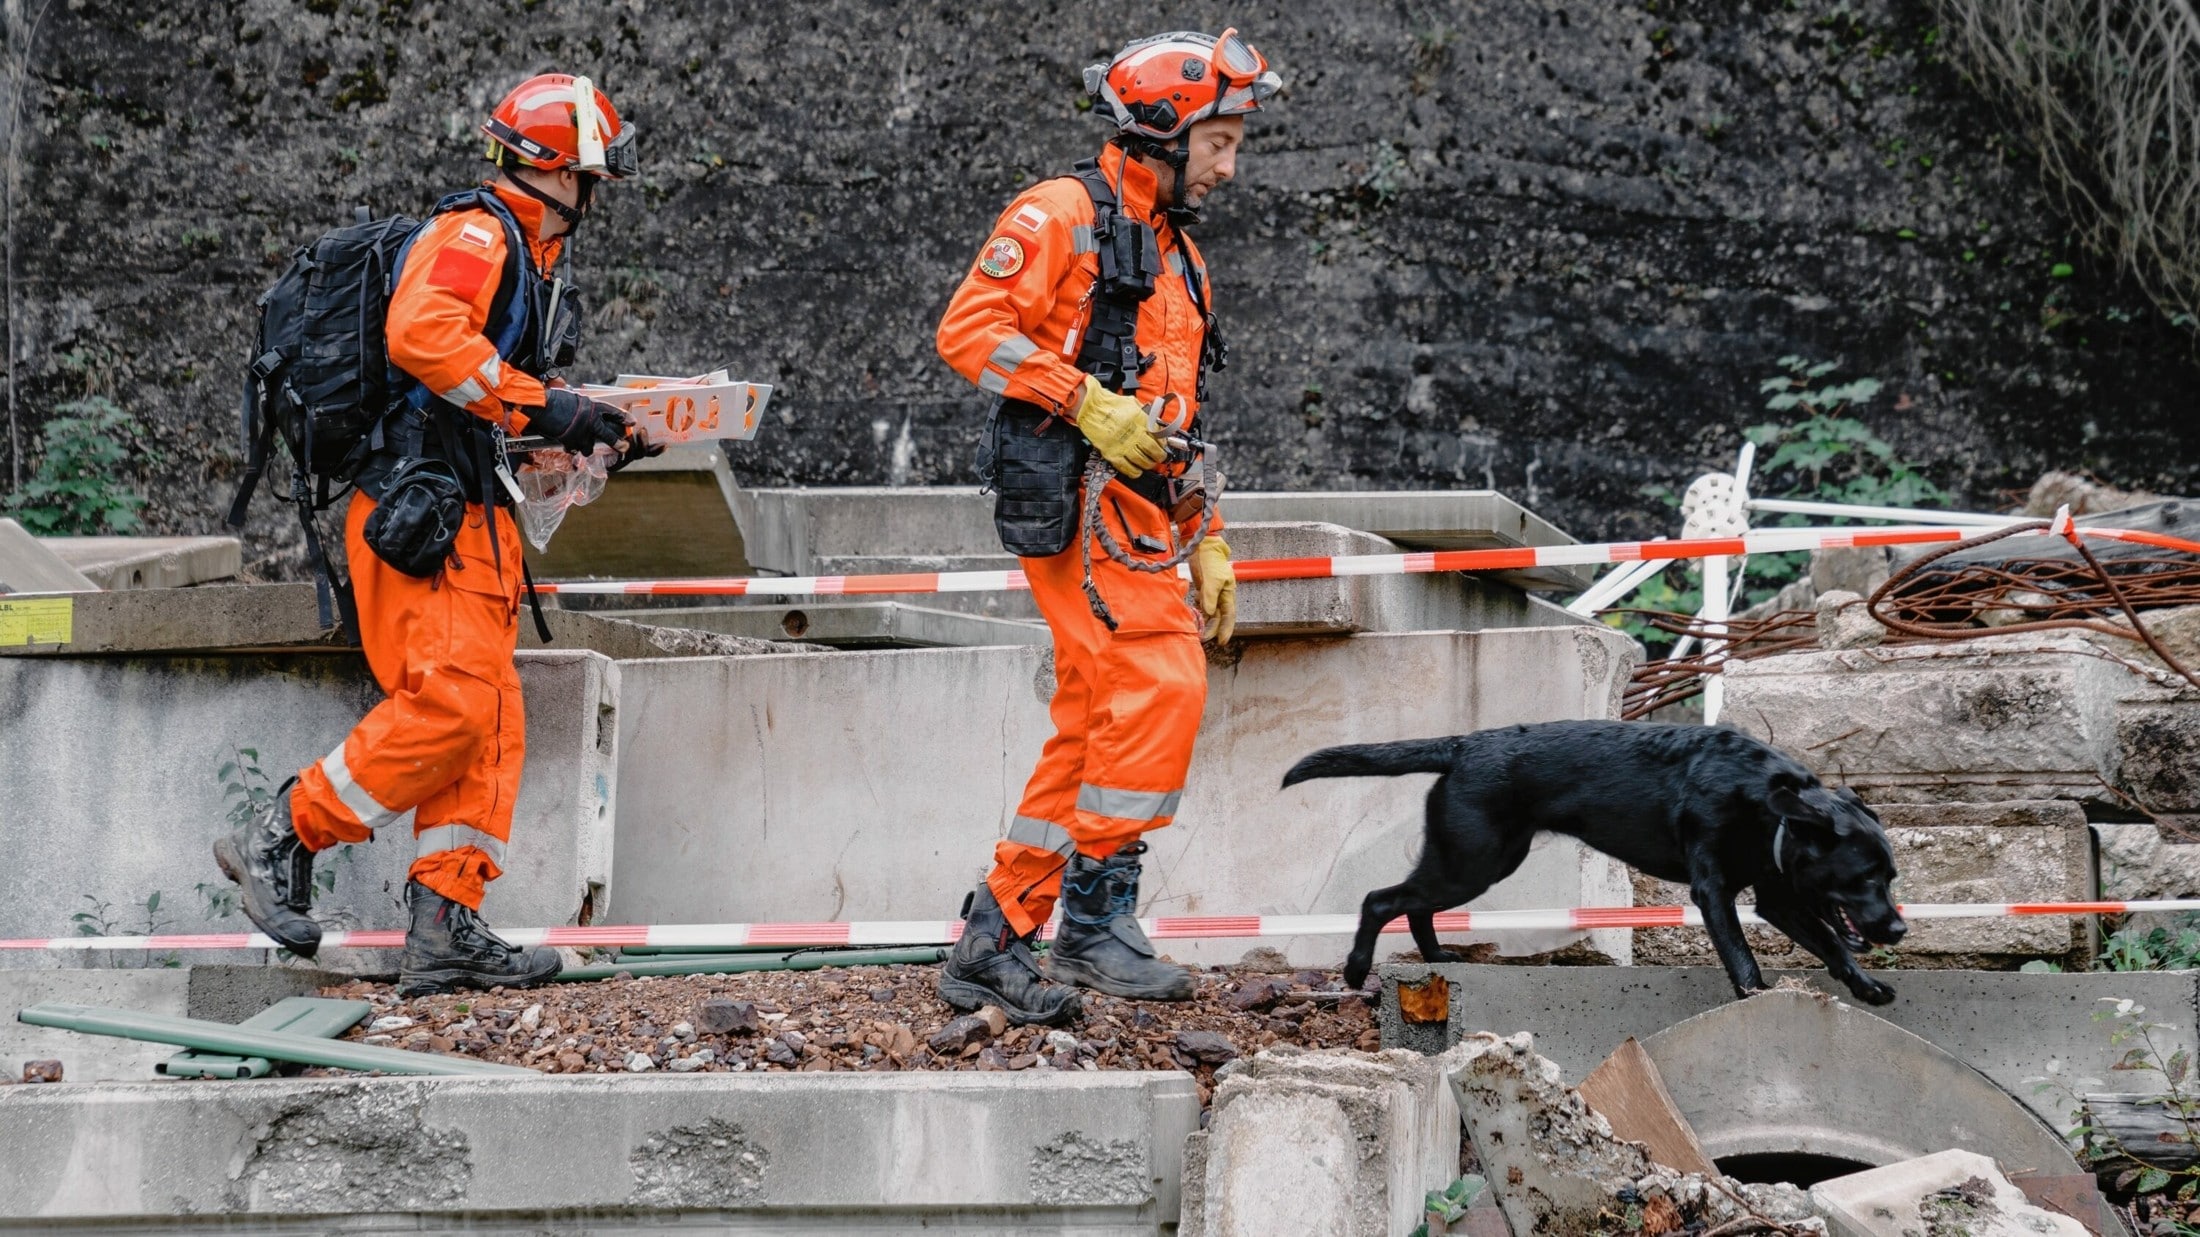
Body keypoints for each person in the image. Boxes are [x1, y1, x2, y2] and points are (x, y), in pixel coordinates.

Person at [214, 73, 656, 996]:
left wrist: (593, 432)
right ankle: (286, 826)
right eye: (589, 176)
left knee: (490, 724)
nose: (595, 196)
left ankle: (445, 926)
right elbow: (423, 334)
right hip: (425, 520)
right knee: (453, 708)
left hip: (471, 518)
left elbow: (474, 399)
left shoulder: (528, 260)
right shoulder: (478, 233)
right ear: (554, 171)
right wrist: (555, 403)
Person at [932, 30, 1281, 1025]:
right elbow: (967, 330)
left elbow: (1176, 422)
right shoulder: (1057, 216)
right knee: (1159, 680)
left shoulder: (1178, 259)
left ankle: (996, 934)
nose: (1228, 164)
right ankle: (1089, 922)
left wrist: (1206, 532)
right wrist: (1080, 401)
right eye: (1218, 141)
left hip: (1137, 518)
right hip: (1078, 501)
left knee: (1095, 717)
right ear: (1162, 130)